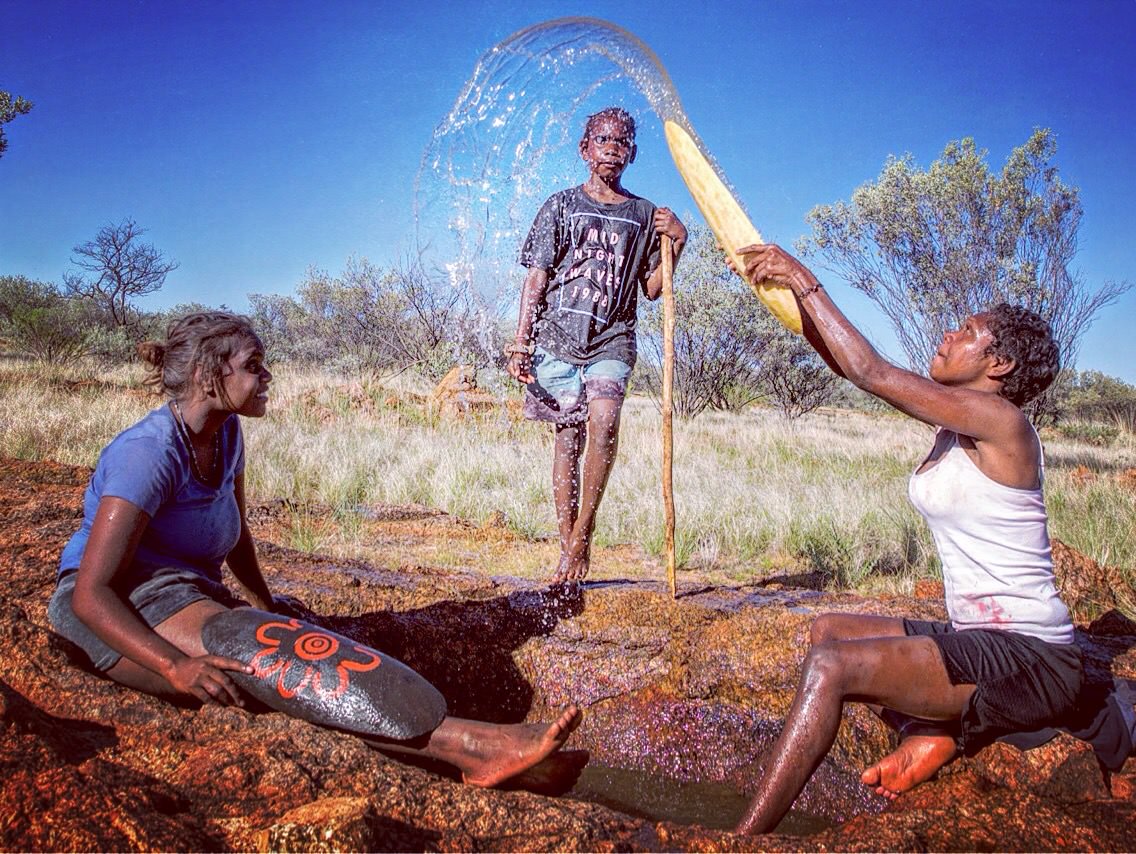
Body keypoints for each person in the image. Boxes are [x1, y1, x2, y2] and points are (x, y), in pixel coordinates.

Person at [48, 311, 580, 788]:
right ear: (209, 377)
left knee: (279, 647)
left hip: (185, 594)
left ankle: (469, 750)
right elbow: (90, 594)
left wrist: (264, 603)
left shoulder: (226, 434)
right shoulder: (146, 455)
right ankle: (469, 745)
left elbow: (238, 536)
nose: (267, 376)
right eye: (253, 366)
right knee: (261, 666)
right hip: (120, 604)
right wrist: (172, 666)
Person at [726, 245, 1081, 835]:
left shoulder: (1002, 423)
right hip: (978, 638)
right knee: (828, 631)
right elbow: (851, 368)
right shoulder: (957, 420)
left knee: (831, 666)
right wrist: (785, 299)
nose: (948, 334)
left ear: (999, 365)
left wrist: (804, 278)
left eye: (966, 331)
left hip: (1031, 659)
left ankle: (742, 841)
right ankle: (935, 729)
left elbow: (873, 372)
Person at [505, 106, 688, 583]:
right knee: (568, 439)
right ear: (584, 149)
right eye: (603, 140)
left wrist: (678, 242)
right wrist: (521, 343)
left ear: (632, 153)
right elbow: (536, 278)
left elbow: (652, 289)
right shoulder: (561, 205)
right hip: (558, 339)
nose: (612, 148)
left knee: (604, 425)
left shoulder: (645, 215)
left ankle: (583, 536)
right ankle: (566, 546)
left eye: (621, 141)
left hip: (612, 338)